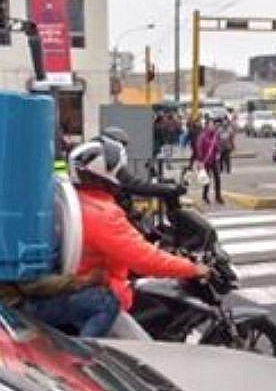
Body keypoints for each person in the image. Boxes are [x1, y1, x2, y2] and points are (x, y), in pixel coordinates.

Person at [69, 137, 210, 327]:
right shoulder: (104, 214)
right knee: (158, 314)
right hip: (105, 293)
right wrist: (192, 268)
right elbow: (146, 260)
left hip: (80, 285)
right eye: (119, 170)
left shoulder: (76, 200)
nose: (123, 175)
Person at [195, 118, 223, 205]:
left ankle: (218, 196)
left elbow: (218, 146)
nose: (212, 127)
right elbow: (199, 148)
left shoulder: (215, 136)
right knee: (206, 180)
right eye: (210, 125)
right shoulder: (202, 136)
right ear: (206, 126)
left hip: (214, 161)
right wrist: (200, 160)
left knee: (217, 179)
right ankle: (205, 196)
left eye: (213, 125)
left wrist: (218, 153)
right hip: (205, 161)